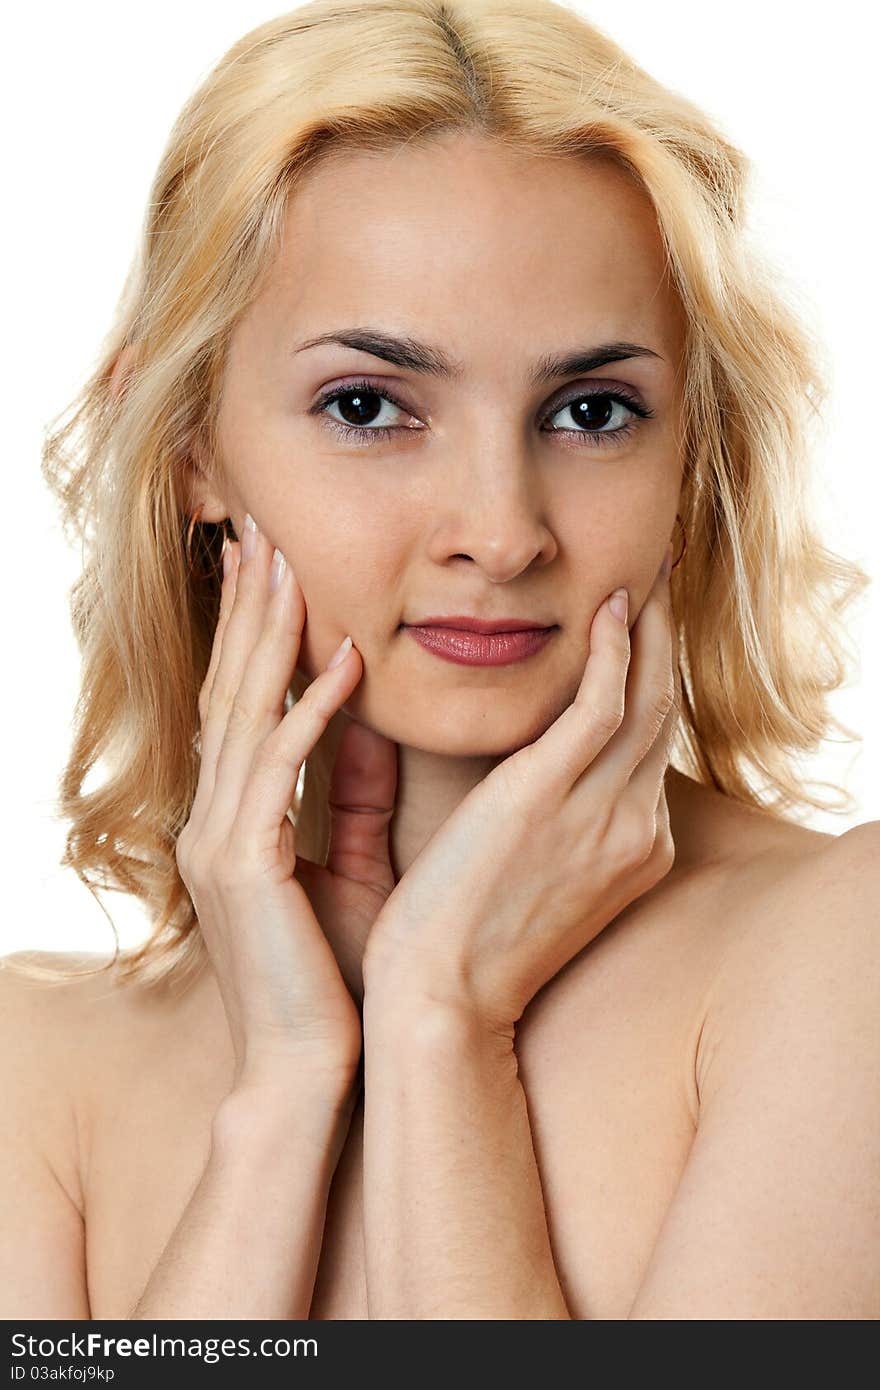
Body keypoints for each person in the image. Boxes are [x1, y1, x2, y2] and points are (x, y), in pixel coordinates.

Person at [2, 0, 877, 1321]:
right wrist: (289, 1084)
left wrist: (440, 1022)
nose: (501, 531)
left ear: (692, 453)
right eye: (369, 407)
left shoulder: (839, 953)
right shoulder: (34, 1061)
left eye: (593, 411)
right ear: (185, 447)